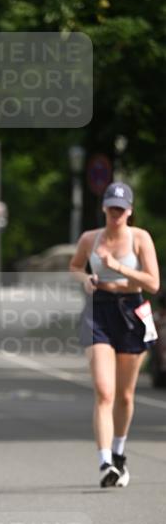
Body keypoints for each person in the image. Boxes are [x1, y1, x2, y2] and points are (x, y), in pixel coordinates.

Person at [69, 181, 159, 487]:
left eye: (121, 209)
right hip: (99, 310)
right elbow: (75, 266)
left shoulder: (140, 238)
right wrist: (85, 280)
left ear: (130, 211)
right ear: (104, 208)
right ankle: (105, 461)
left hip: (132, 312)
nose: (116, 214)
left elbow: (153, 283)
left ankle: (119, 454)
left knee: (125, 394)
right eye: (111, 208)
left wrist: (118, 267)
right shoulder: (89, 238)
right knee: (104, 391)